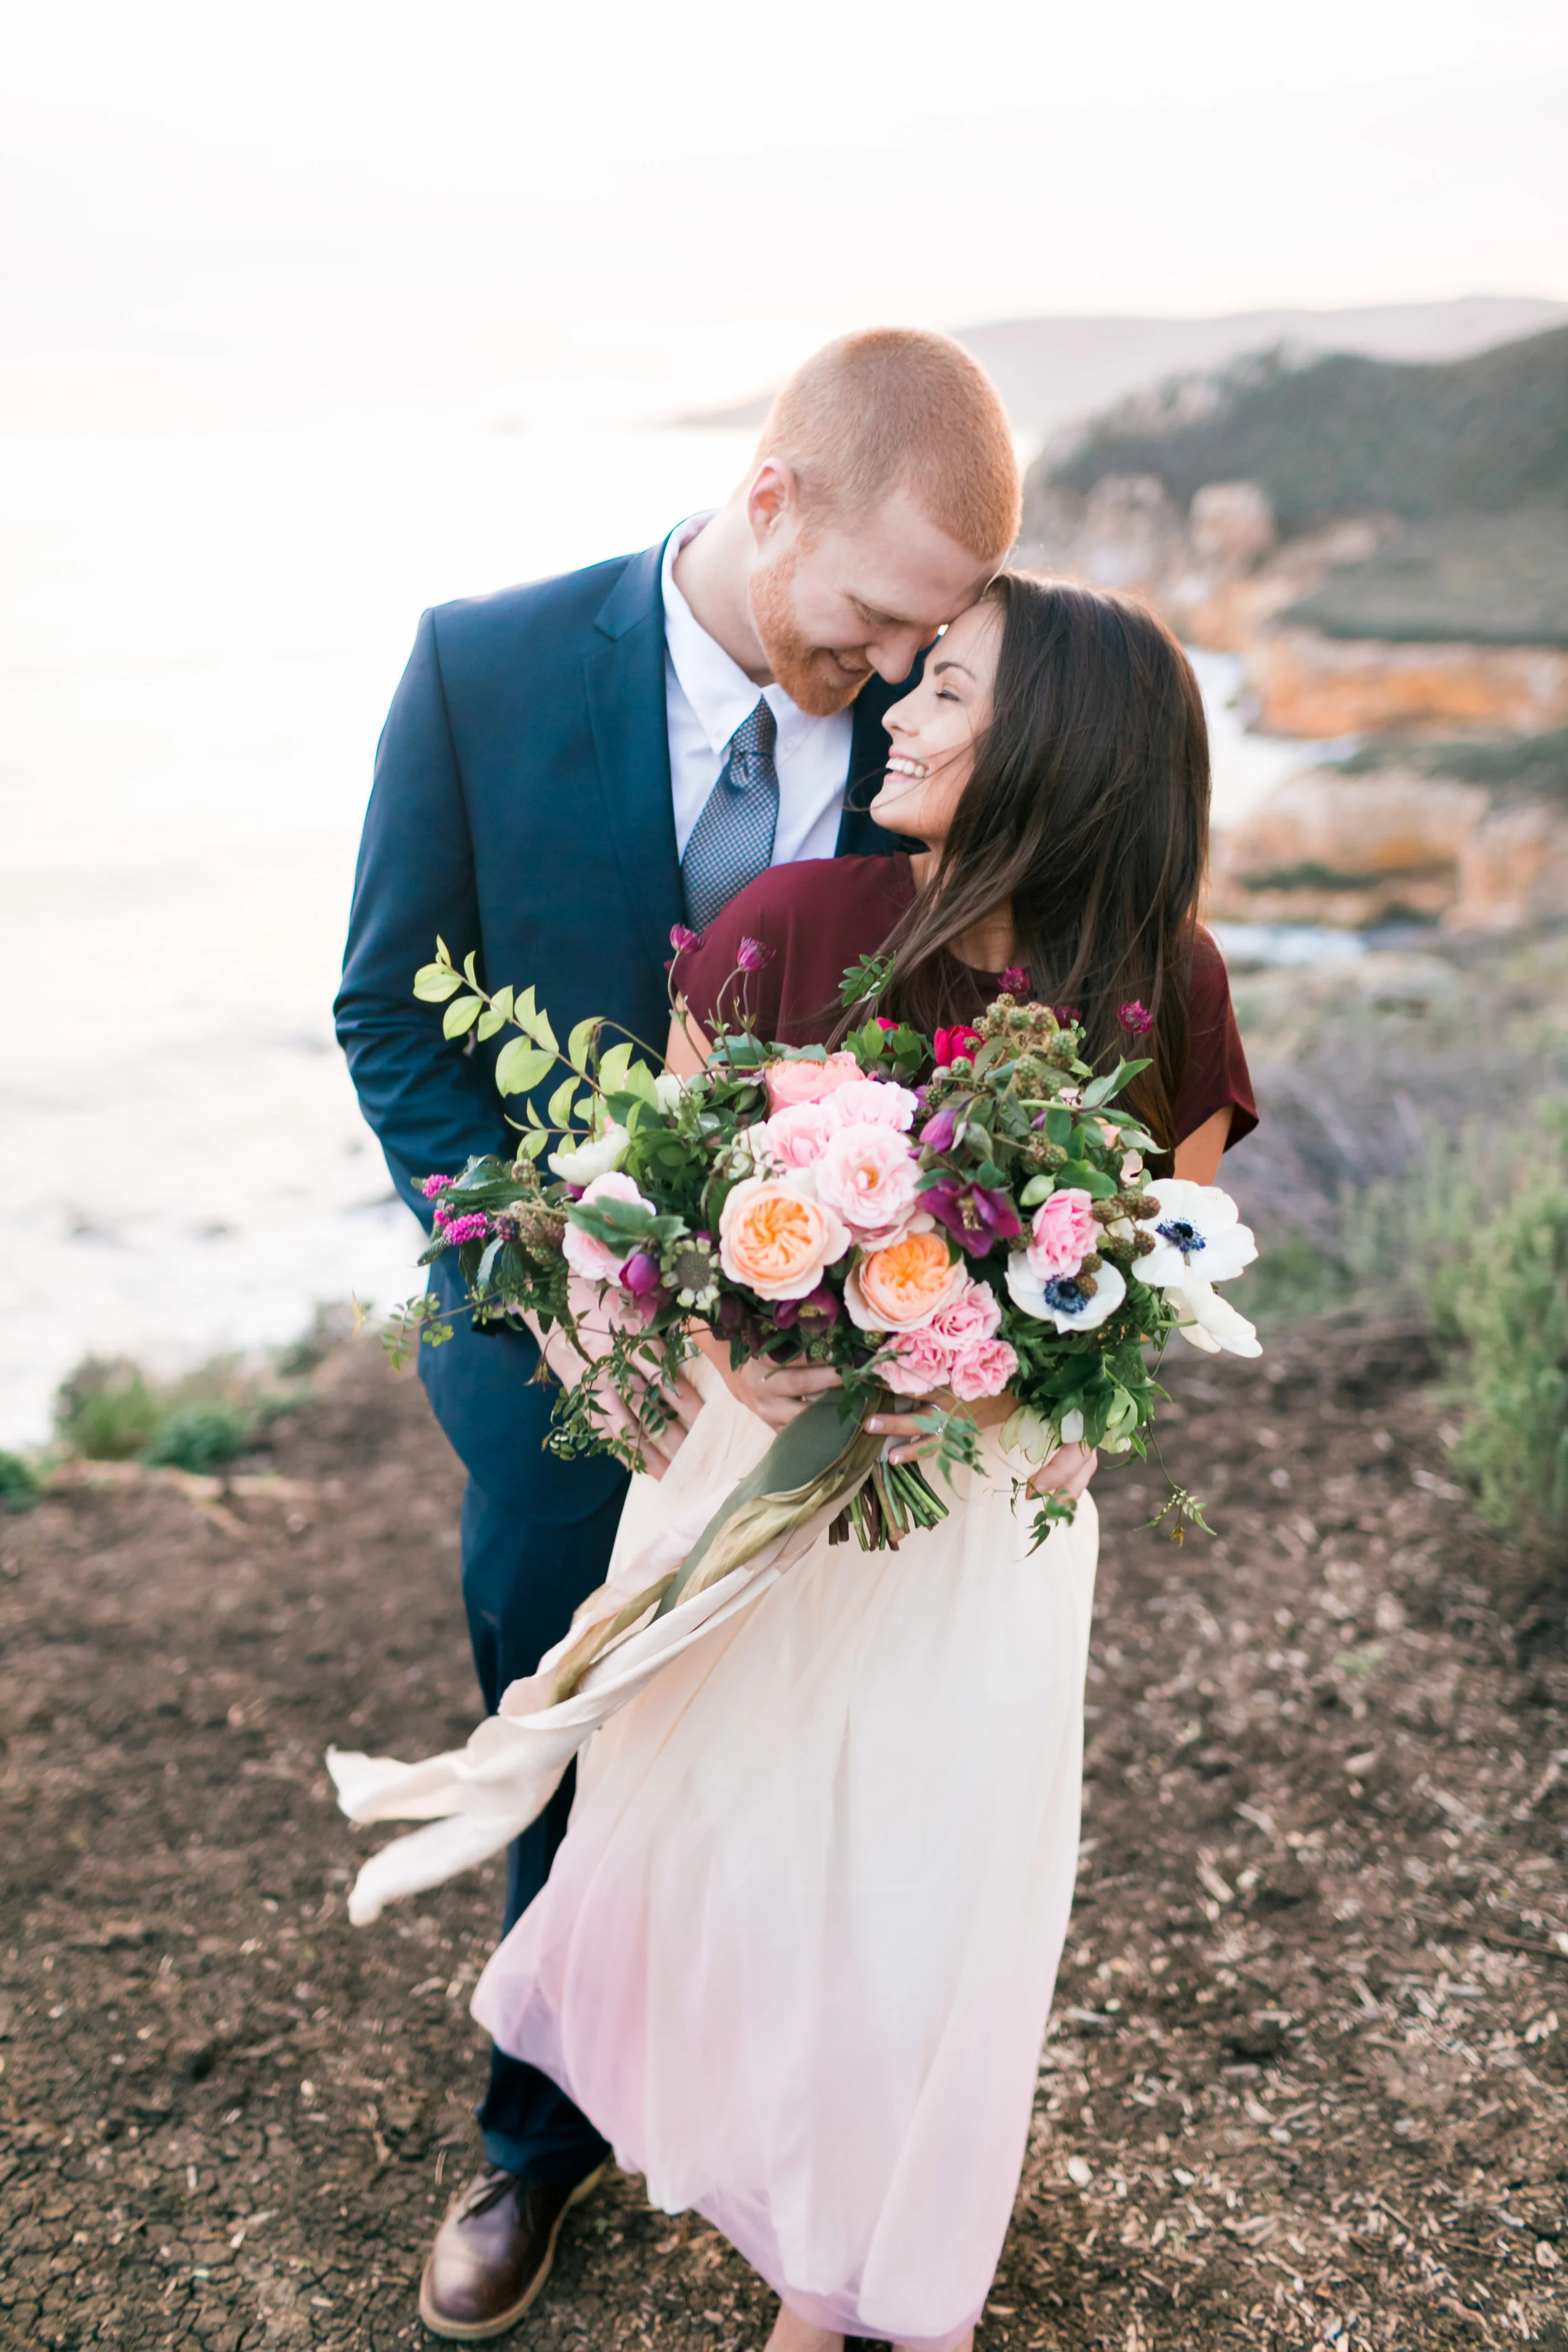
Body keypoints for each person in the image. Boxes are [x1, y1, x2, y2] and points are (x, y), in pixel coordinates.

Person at [468, 574, 1257, 2352]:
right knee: (744, 1874)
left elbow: (1153, 1290)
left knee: (923, 1893)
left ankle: (841, 2283)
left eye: (947, 689)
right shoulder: (783, 924)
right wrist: (726, 1345)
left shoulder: (1166, 987)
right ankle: (779, 2216)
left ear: (1050, 743)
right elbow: (658, 1225)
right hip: (754, 1500)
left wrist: (1001, 1394)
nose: (895, 712)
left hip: (976, 1528)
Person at [334, 327, 1022, 2339]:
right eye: (870, 616)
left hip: (832, 1365)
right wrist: (535, 1277)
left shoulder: (924, 721)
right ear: (771, 497)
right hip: (558, 1357)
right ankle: (532, 2138)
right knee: (568, 1709)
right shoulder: (477, 666)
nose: (888, 663)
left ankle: (779, 2143)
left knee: (804, 1755)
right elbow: (392, 1011)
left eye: (926, 638)